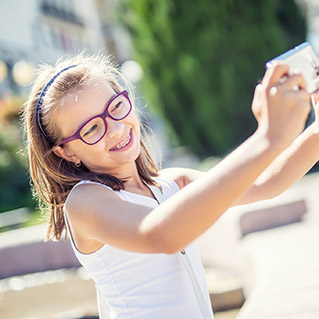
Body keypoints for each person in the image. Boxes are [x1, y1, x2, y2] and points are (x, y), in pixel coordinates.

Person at [22, 52, 319, 319]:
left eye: (116, 106)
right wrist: (266, 139)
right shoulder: (84, 202)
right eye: (91, 129)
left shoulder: (170, 183)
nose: (114, 128)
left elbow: (266, 183)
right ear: (66, 152)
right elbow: (161, 235)